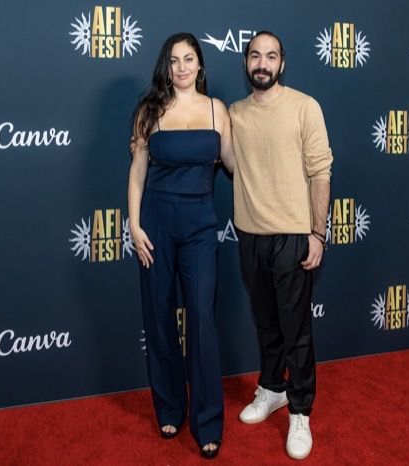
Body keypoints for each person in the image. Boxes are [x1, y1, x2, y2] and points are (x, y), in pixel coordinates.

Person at [128, 32, 234, 459]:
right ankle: (170, 407)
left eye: (189, 59)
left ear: (200, 64)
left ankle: (208, 420)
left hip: (200, 224)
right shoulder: (149, 110)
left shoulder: (217, 110)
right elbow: (138, 170)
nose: (182, 67)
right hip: (155, 220)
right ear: (165, 66)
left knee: (202, 318)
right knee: (158, 316)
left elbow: (235, 164)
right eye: (174, 60)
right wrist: (133, 224)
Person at [229, 31, 333, 460]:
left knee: (296, 330)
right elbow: (213, 147)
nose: (263, 64)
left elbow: (321, 172)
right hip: (250, 236)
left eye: (271, 56)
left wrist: (317, 233)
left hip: (294, 236)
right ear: (246, 63)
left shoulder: (305, 107)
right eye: (255, 56)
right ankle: (272, 388)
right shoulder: (234, 114)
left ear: (282, 63)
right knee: (267, 324)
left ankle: (301, 410)